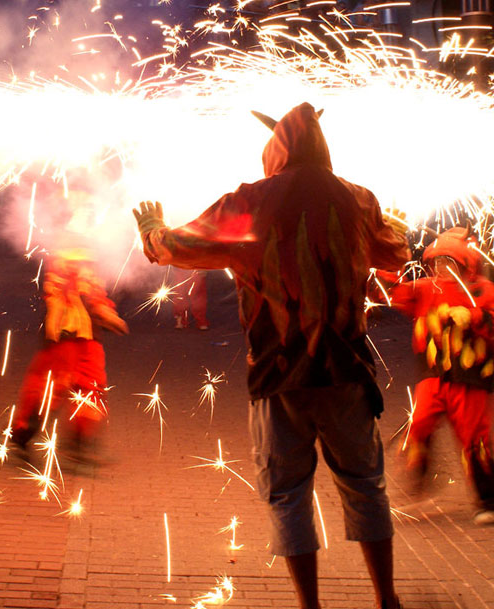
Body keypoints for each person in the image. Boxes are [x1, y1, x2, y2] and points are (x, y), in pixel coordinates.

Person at [133, 102, 408, 609]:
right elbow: (396, 253)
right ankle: (387, 600)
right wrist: (395, 225)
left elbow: (176, 246)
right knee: (366, 487)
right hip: (347, 371)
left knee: (287, 493)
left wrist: (152, 229)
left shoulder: (250, 201)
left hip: (278, 373)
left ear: (276, 149)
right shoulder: (358, 198)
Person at [385, 228, 494, 524]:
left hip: (471, 379)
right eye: (437, 262)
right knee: (419, 426)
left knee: (474, 439)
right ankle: (419, 483)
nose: (442, 269)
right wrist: (386, 254)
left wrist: (474, 316)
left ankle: (489, 500)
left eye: (449, 262)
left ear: (465, 264)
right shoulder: (425, 287)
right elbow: (391, 293)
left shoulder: (480, 289)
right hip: (433, 375)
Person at [10, 244, 128, 461]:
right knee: (51, 386)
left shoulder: (91, 257)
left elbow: (95, 292)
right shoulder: (62, 256)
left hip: (88, 335)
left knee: (91, 386)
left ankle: (79, 442)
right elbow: (66, 293)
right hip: (63, 335)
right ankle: (22, 433)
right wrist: (103, 311)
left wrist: (105, 311)